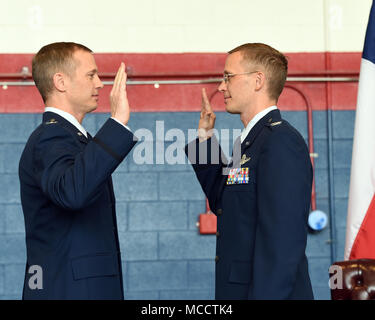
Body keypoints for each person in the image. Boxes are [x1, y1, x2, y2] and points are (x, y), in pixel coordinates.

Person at [185, 43, 314, 299]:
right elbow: (224, 201)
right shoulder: (249, 141)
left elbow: (282, 245)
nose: (222, 87)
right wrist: (204, 139)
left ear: (258, 81)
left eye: (228, 77)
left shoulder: (280, 141)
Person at [19, 42, 137, 299]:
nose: (100, 84)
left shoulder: (73, 138)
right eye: (91, 75)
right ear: (61, 81)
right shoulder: (51, 137)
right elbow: (72, 192)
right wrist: (117, 122)